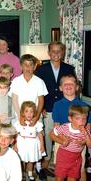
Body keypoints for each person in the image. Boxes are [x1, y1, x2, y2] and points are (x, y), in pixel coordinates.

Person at [52, 74, 91, 181]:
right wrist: (62, 140)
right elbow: (56, 125)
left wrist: (83, 140)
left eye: (71, 84)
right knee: (60, 168)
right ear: (60, 88)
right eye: (65, 84)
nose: (69, 86)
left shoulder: (84, 106)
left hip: (79, 143)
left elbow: (88, 126)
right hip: (63, 141)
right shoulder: (57, 105)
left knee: (80, 169)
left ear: (76, 87)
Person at [47, 105, 91, 181]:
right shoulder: (64, 127)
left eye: (84, 119)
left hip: (76, 159)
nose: (82, 122)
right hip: (64, 157)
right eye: (78, 119)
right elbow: (51, 134)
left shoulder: (85, 131)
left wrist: (85, 138)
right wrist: (62, 141)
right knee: (59, 180)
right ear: (70, 119)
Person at [34, 41, 76, 171]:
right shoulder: (41, 69)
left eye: (59, 51)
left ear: (62, 53)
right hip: (48, 108)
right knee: (48, 133)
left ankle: (61, 158)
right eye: (53, 51)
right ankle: (46, 158)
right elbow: (37, 91)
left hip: (65, 108)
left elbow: (72, 89)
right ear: (49, 53)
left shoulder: (69, 69)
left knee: (65, 134)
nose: (56, 54)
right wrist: (41, 108)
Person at [13, 101, 45, 181]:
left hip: (33, 144)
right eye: (26, 111)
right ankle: (22, 174)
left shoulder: (37, 124)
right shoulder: (19, 123)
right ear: (22, 113)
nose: (29, 114)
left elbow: (40, 134)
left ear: (34, 113)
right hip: (22, 143)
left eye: (31, 111)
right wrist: (15, 145)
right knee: (22, 160)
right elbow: (16, 134)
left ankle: (30, 173)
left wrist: (42, 145)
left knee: (31, 160)